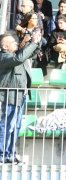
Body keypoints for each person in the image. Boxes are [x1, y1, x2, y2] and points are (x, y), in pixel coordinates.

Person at [0, 32, 41, 164]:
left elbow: (31, 53)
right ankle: (1, 154)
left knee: (15, 127)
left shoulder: (15, 55)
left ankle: (10, 154)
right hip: (9, 96)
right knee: (6, 126)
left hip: (19, 96)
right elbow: (19, 58)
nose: (16, 44)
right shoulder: (4, 57)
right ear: (5, 46)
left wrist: (36, 42)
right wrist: (32, 43)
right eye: (12, 43)